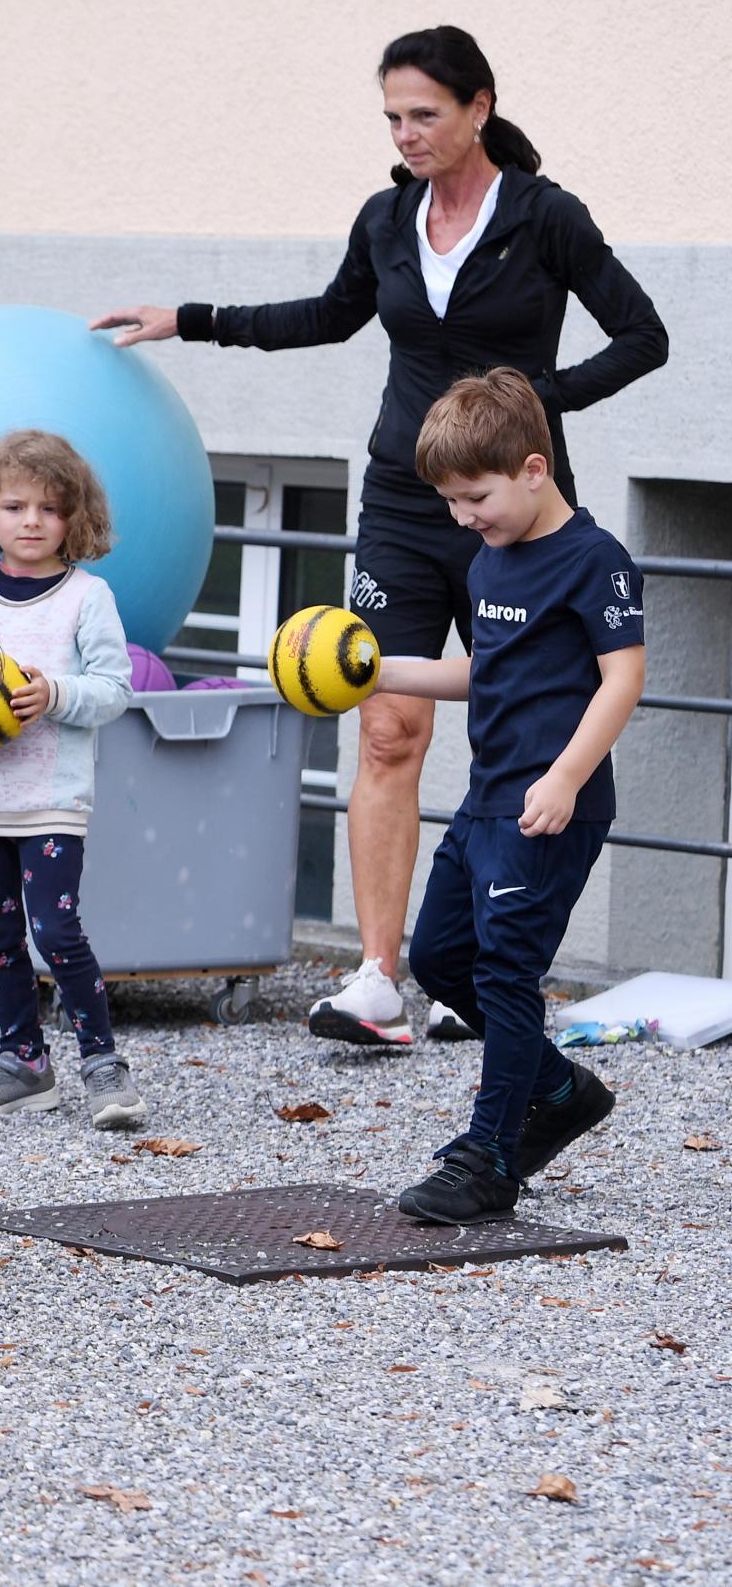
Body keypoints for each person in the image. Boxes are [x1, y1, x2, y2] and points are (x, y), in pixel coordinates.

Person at [91, 24, 666, 1048]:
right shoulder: (387, 217)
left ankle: (478, 969)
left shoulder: (545, 216)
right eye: (394, 116)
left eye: (426, 115)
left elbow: (643, 335)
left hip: (515, 518)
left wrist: (544, 398)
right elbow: (328, 312)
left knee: (521, 722)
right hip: (402, 502)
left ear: (478, 109)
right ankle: (377, 974)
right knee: (391, 720)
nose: (407, 134)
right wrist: (191, 315)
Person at [377, 370, 642, 1223]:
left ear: (534, 468)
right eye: (452, 502)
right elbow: (481, 670)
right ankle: (561, 1091)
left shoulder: (595, 560)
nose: (463, 517)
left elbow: (623, 679)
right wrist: (372, 669)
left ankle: (490, 1157)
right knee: (440, 961)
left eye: (474, 496)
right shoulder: (493, 555)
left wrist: (566, 776)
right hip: (485, 800)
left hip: (550, 807)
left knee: (504, 973)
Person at [0, 431, 145, 1130]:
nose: (30, 521)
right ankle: (23, 1060)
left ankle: (103, 1067)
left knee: (57, 930)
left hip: (51, 800)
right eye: (14, 504)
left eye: (49, 508)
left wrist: (53, 693)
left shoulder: (88, 597)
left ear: (74, 519)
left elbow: (115, 689)